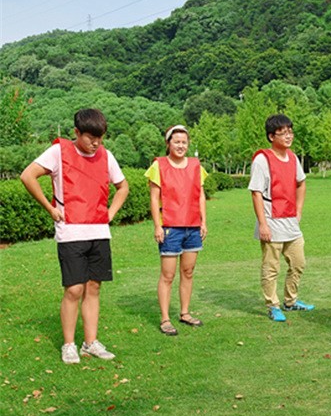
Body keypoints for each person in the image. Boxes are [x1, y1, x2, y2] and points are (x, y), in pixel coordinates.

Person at [20, 108, 129, 364]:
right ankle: (69, 344)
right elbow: (28, 176)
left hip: (99, 232)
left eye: (100, 138)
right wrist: (50, 208)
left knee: (93, 287)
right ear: (77, 132)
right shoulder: (59, 152)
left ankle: (90, 343)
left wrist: (110, 212)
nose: (96, 144)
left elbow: (122, 187)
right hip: (70, 232)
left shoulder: (105, 155)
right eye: (91, 138)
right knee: (74, 289)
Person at [249, 114, 313, 323]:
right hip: (271, 220)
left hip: (290, 220)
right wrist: (263, 224)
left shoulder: (293, 158)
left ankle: (291, 300)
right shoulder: (262, 160)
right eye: (282, 133)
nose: (288, 136)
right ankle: (272, 305)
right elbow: (256, 193)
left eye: (290, 131)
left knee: (298, 262)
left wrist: (300, 210)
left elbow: (301, 183)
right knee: (271, 266)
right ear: (271, 136)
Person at [145, 125, 208, 335]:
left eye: (184, 142)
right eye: (176, 141)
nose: (181, 146)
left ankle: (185, 312)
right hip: (170, 227)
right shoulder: (159, 166)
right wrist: (157, 225)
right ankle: (164, 319)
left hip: (192, 226)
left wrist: (203, 221)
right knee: (168, 274)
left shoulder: (196, 166)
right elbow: (154, 198)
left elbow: (200, 195)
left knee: (188, 272)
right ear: (168, 144)